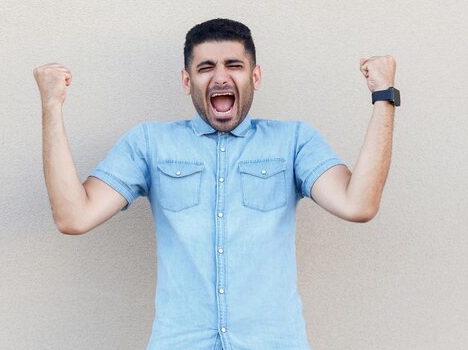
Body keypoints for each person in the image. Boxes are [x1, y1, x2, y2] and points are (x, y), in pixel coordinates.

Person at [33, 18, 399, 350]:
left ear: (254, 77)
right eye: (206, 67)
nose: (221, 78)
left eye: (234, 66)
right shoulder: (148, 143)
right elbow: (73, 216)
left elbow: (358, 204)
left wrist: (383, 96)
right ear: (186, 80)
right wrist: (52, 104)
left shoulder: (294, 141)